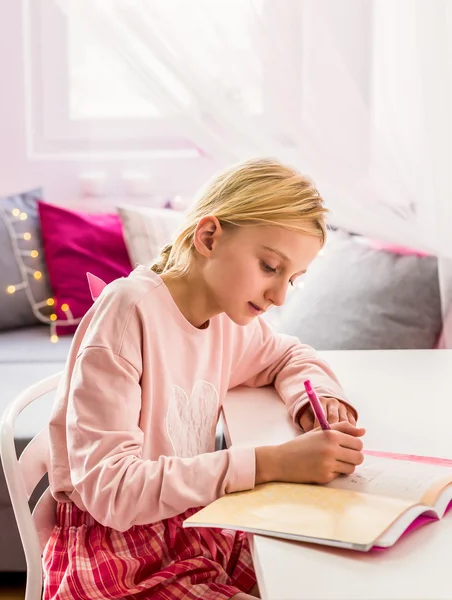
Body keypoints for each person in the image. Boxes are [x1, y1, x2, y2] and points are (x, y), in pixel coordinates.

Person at [44, 158, 365, 600]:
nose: (279, 295)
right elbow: (111, 491)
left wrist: (317, 401)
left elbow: (288, 355)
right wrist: (272, 462)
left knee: (320, 576)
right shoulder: (128, 312)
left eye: (293, 279)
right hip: (119, 555)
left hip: (193, 524)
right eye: (270, 267)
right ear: (209, 236)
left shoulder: (227, 319)